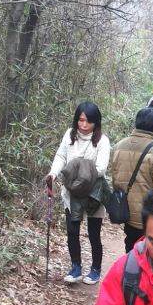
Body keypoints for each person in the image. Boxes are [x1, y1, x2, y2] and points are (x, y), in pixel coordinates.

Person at [46, 100, 110, 284]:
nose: (83, 125)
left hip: (93, 193)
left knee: (94, 232)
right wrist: (54, 173)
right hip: (71, 191)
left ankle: (96, 269)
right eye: (80, 120)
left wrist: (76, 167)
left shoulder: (102, 141)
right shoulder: (69, 135)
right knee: (72, 231)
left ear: (95, 123)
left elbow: (101, 169)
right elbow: (61, 156)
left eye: (88, 121)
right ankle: (75, 267)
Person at [110, 108, 153, 251]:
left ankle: (130, 272)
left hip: (126, 212)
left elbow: (115, 179)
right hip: (148, 215)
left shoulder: (118, 146)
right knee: (149, 252)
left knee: (131, 249)